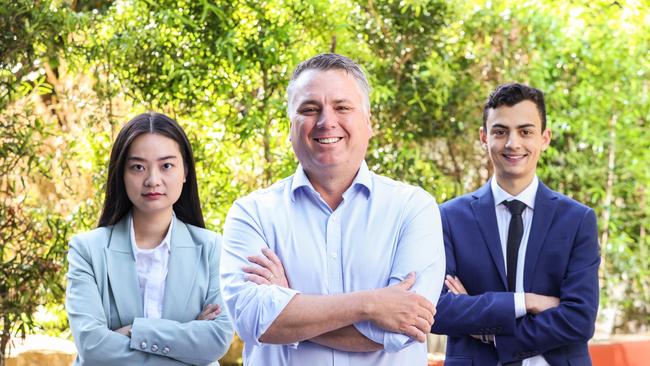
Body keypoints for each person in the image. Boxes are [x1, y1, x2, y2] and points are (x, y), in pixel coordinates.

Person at [219, 53, 446, 365]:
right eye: (310, 109)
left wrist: (289, 311)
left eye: (342, 107)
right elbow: (252, 319)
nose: (326, 121)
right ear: (290, 129)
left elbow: (401, 330)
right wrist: (371, 304)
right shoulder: (252, 213)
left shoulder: (414, 208)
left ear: (369, 124)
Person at [431, 83, 600, 365]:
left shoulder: (577, 220)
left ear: (544, 138)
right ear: (484, 137)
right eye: (500, 131)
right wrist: (526, 302)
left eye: (525, 131)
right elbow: (438, 310)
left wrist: (492, 334)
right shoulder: (448, 217)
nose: (513, 143)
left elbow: (579, 319)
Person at [66, 113, 233, 365]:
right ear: (121, 173)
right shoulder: (88, 250)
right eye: (138, 167)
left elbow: (217, 340)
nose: (152, 180)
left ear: (185, 171)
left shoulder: (212, 249)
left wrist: (134, 331)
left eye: (166, 166)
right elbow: (92, 346)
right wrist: (186, 340)